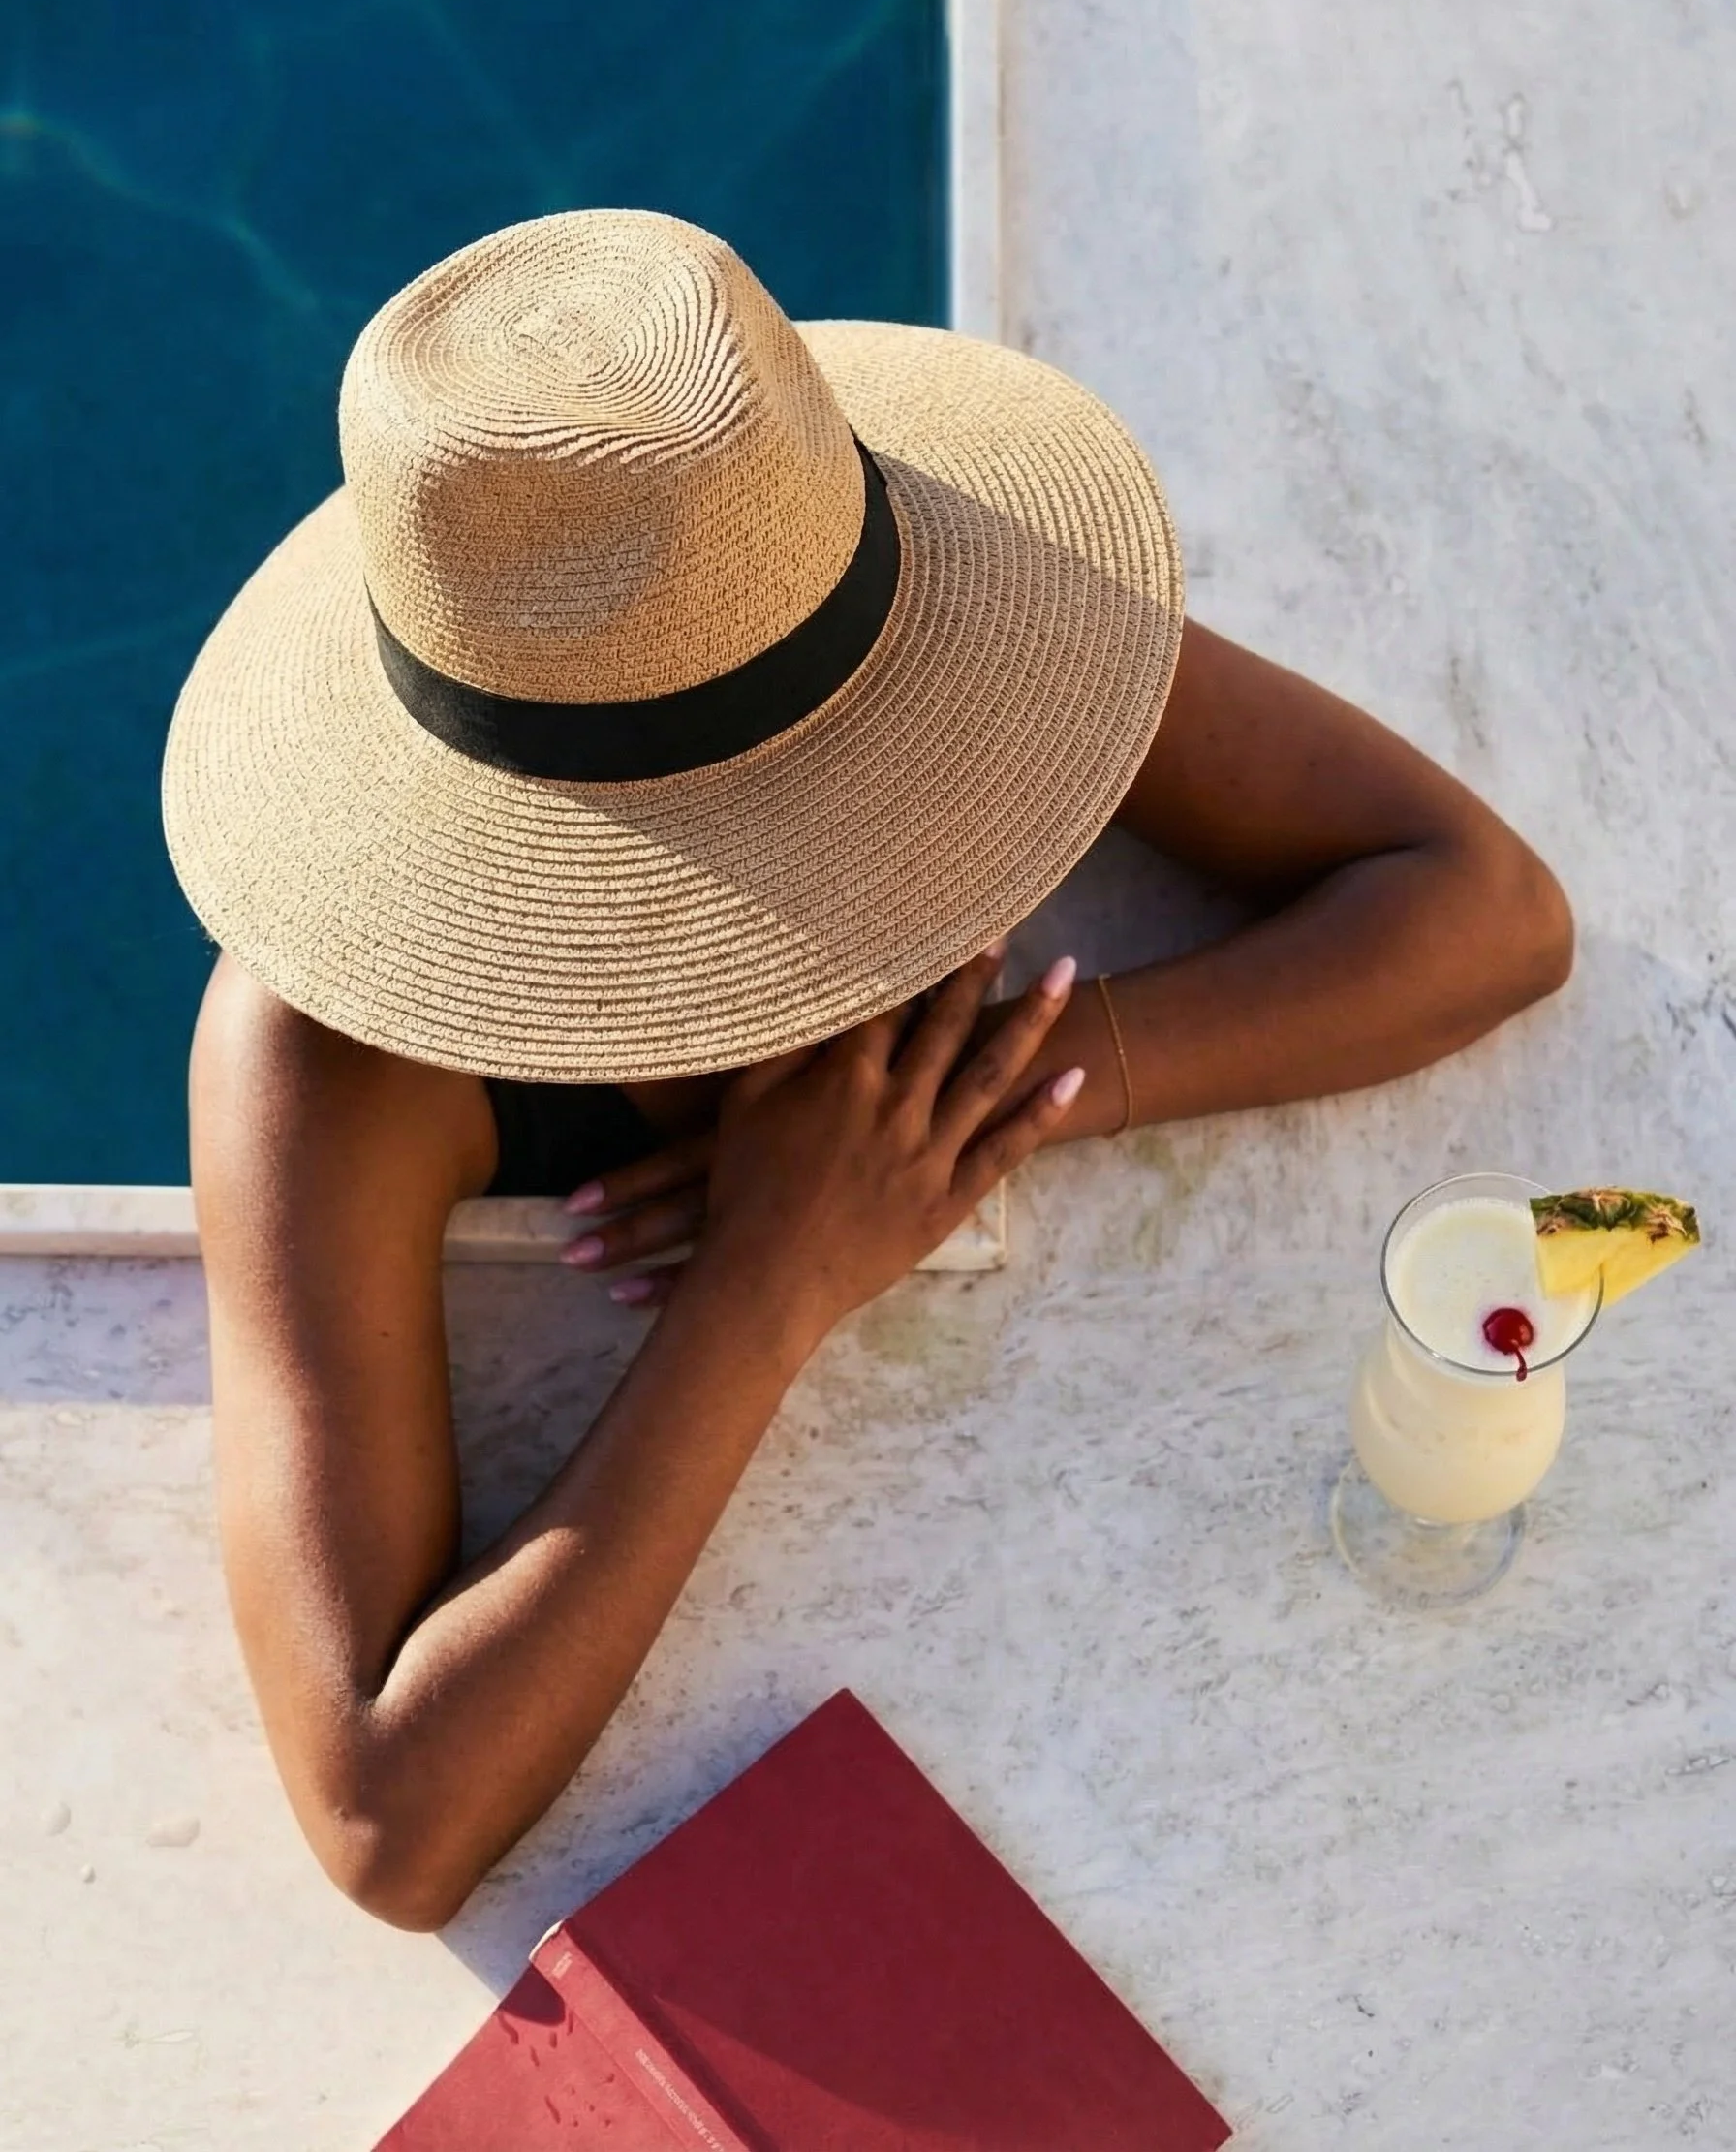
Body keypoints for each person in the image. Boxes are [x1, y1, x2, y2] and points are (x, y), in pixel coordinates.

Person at [165, 211, 1571, 1931]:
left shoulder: (945, 601)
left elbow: (1489, 913)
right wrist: (774, 1277)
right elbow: (387, 1816)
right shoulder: (328, 1053)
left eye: (851, 785)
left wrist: (1003, 1096)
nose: (824, 891)